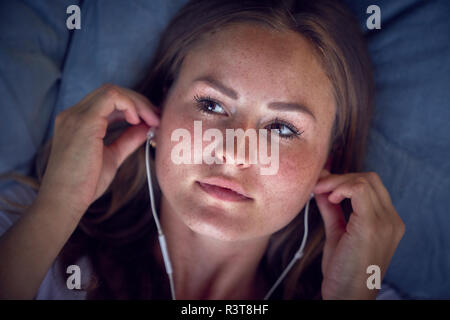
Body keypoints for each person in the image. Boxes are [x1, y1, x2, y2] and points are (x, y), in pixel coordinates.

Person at [0, 0, 405, 299]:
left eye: (282, 127)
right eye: (211, 105)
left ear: (327, 162)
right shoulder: (31, 236)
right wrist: (58, 207)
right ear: (158, 109)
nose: (232, 153)